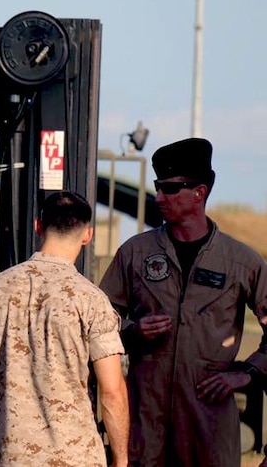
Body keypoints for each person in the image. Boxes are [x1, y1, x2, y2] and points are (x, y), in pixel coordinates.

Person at [100, 137, 267, 467]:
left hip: (208, 421)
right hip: (145, 420)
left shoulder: (241, 262)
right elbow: (98, 322)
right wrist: (133, 332)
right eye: (158, 187)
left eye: (170, 189)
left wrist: (246, 374)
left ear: (199, 193)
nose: (160, 197)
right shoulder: (135, 253)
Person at [0, 191, 129, 467]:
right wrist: (121, 459)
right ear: (87, 235)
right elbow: (112, 390)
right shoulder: (91, 300)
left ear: (38, 226)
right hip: (75, 457)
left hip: (6, 455)